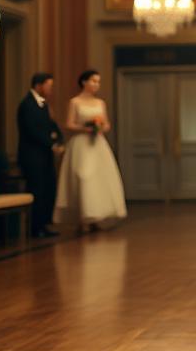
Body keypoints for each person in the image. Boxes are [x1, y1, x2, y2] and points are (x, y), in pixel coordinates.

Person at [54, 69, 127, 233]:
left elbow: (107, 124)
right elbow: (69, 123)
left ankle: (96, 216)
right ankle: (82, 217)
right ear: (84, 82)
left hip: (98, 143)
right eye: (93, 81)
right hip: (81, 144)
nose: (96, 85)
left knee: (99, 178)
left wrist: (100, 127)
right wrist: (85, 127)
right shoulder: (75, 102)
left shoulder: (100, 103)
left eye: (98, 82)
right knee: (83, 176)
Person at [17, 72, 63, 239]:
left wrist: (58, 139)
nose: (51, 89)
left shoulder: (43, 105)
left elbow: (51, 125)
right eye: (49, 86)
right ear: (38, 85)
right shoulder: (27, 105)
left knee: (48, 188)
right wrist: (51, 144)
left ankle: (44, 223)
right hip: (32, 156)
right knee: (37, 190)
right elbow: (32, 130)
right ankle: (35, 227)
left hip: (44, 155)